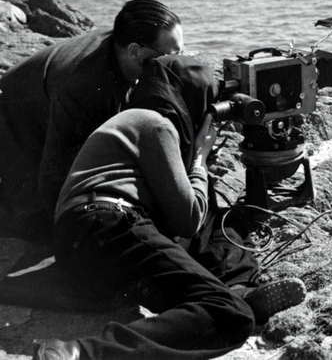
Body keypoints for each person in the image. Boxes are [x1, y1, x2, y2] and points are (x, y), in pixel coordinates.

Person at [33, 56, 305, 360]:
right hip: (107, 224)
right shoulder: (155, 125)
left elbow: (182, 220)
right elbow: (189, 219)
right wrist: (200, 159)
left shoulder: (134, 118)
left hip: (84, 247)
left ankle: (238, 291)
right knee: (233, 314)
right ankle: (79, 352)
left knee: (205, 253)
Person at [0, 0, 183, 240]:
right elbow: (54, 177)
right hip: (14, 127)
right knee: (37, 224)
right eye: (169, 58)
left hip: (45, 105)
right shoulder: (84, 85)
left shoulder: (123, 46)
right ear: (135, 52)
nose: (177, 65)